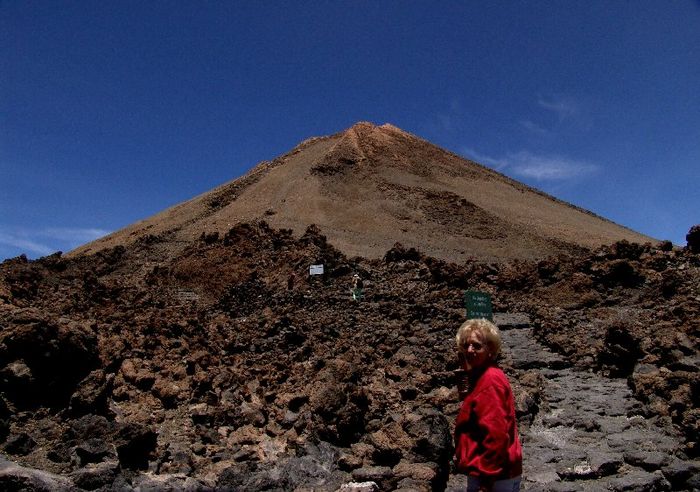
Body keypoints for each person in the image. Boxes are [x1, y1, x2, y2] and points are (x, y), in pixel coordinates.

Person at [453, 319, 522, 492]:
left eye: (477, 346)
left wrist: (486, 482)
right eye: (466, 345)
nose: (470, 350)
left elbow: (496, 435)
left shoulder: (490, 382)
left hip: (493, 476)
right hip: (494, 472)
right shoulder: (484, 374)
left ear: (490, 349)